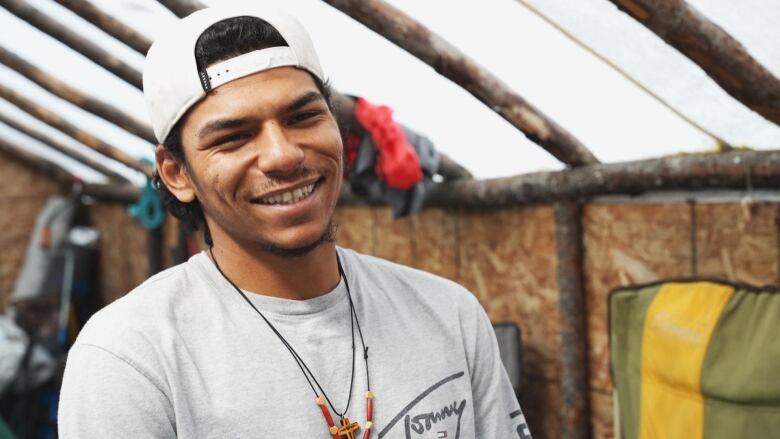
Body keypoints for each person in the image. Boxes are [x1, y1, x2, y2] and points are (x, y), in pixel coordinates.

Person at [58, 4, 531, 438]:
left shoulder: (448, 315)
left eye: (303, 117)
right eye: (234, 137)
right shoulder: (131, 360)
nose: (283, 155)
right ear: (177, 173)